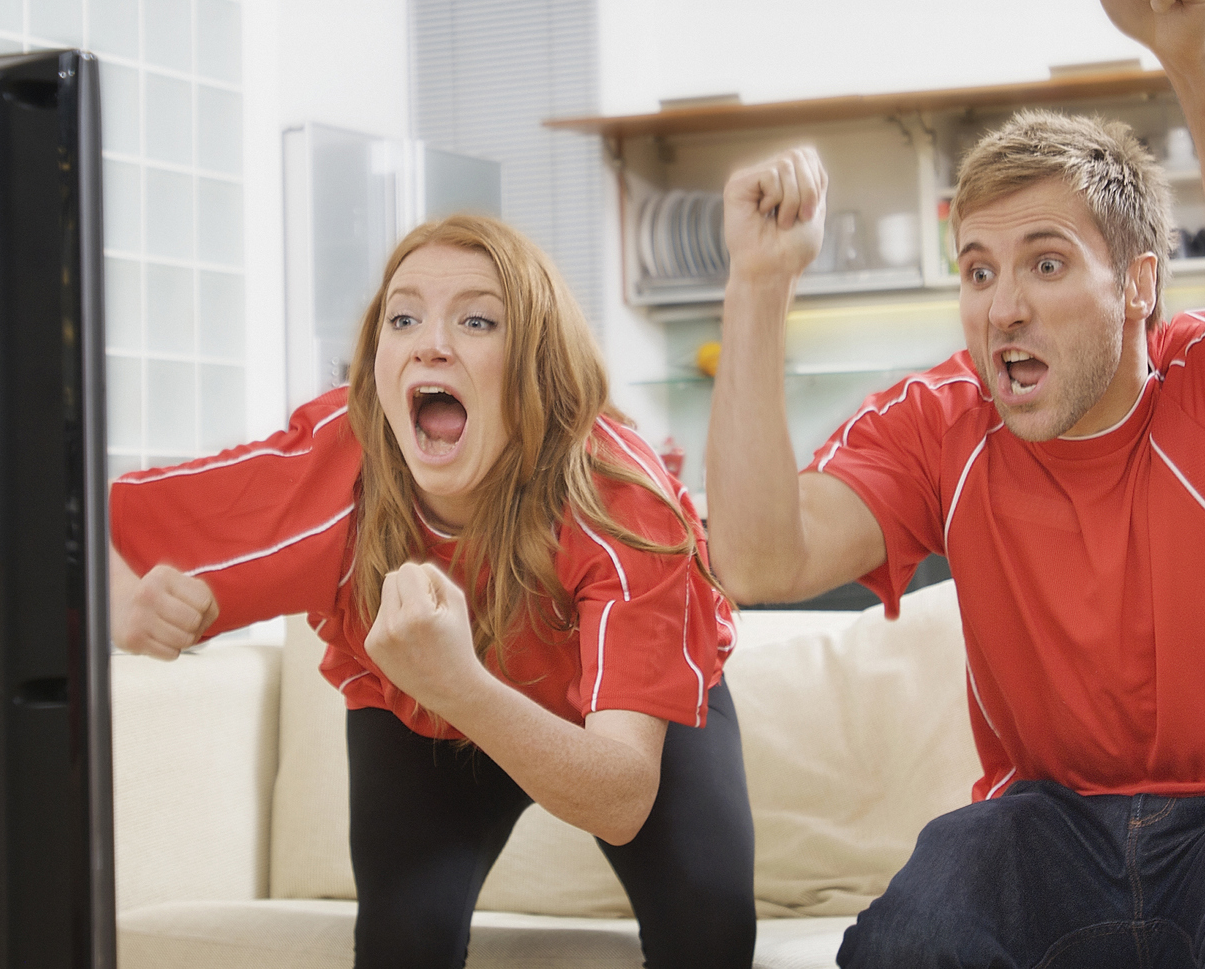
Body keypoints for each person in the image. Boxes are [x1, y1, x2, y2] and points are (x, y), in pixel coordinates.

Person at [707, 0, 1205, 968]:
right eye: (979, 271)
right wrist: (757, 290)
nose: (1002, 308)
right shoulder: (943, 419)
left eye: (1044, 262)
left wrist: (1196, 55)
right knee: (917, 931)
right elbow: (759, 557)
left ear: (1136, 286)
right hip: (1049, 827)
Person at [108, 214, 755, 969]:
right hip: (421, 718)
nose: (430, 342)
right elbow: (82, 525)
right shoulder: (333, 469)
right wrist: (118, 607)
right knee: (403, 942)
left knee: (710, 932)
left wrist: (462, 684)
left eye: (476, 320)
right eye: (402, 317)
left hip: (604, 731)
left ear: (538, 368)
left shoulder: (624, 504)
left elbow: (618, 800)